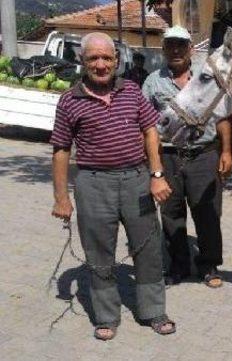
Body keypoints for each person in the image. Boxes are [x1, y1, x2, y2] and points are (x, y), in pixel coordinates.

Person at [50, 32, 176, 340]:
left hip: (136, 179)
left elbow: (150, 131)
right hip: (93, 184)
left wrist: (156, 174)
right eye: (93, 58)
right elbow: (61, 149)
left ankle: (153, 311)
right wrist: (61, 198)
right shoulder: (69, 101)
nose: (101, 64)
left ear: (116, 60)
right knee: (98, 252)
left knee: (147, 247)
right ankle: (106, 316)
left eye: (107, 58)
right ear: (82, 61)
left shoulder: (132, 91)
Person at [142, 26, 232, 288]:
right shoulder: (152, 82)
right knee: (171, 213)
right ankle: (179, 265)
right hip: (168, 156)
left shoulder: (205, 77)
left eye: (181, 45)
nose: (175, 50)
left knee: (208, 212)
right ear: (164, 49)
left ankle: (209, 265)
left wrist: (226, 150)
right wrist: (149, 163)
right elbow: (146, 126)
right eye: (170, 45)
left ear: (190, 49)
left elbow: (222, 115)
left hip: (205, 155)